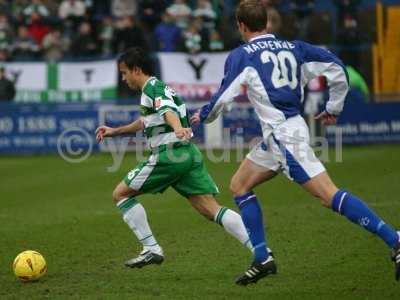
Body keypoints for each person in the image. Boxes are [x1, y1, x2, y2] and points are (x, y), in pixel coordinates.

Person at [190, 0, 400, 285]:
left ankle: (395, 239)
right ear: (265, 21)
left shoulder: (242, 55)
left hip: (285, 137)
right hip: (279, 135)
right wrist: (334, 106)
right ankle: (262, 258)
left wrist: (203, 114)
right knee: (239, 185)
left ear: (241, 25)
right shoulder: (295, 48)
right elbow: (337, 66)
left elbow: (224, 95)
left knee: (328, 195)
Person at [95, 47, 260, 271]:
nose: (123, 79)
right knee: (210, 209)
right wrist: (115, 131)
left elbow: (167, 111)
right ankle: (260, 251)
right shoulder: (156, 89)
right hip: (187, 153)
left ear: (136, 70)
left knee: (120, 194)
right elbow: (147, 121)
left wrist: (177, 128)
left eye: (124, 73)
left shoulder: (152, 88)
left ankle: (151, 248)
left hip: (169, 154)